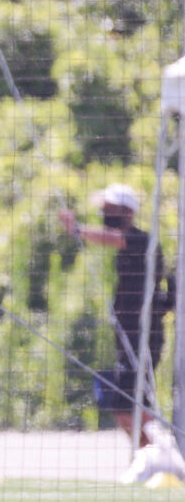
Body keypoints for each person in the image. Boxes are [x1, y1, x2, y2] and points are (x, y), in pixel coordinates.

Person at [61, 183, 176, 449]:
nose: (105, 213)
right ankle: (152, 454)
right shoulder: (132, 244)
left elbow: (112, 238)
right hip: (130, 335)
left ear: (127, 211)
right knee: (128, 403)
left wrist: (77, 229)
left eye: (109, 208)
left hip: (144, 335)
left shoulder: (142, 240)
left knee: (127, 403)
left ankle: (164, 451)